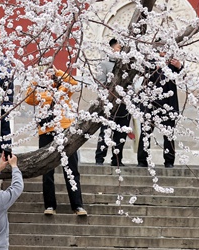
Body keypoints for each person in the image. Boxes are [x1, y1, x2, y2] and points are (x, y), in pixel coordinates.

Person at [31, 68, 87, 216]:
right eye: (46, 73)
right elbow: (30, 99)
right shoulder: (40, 91)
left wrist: (58, 71)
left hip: (64, 128)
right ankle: (49, 205)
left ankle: (77, 205)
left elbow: (73, 82)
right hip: (46, 131)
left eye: (50, 74)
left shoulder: (63, 89)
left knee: (71, 167)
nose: (48, 76)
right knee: (46, 169)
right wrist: (36, 78)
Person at [137, 56, 183, 168]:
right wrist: (152, 68)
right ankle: (142, 160)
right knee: (145, 132)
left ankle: (169, 161)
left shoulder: (172, 62)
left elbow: (184, 77)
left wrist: (180, 67)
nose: (163, 51)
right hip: (150, 104)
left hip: (168, 104)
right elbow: (140, 72)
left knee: (168, 134)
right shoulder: (149, 61)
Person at [95, 39, 131, 167]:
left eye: (121, 47)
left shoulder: (129, 65)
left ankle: (117, 159)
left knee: (121, 132)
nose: (120, 49)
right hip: (110, 103)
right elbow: (100, 83)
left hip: (124, 103)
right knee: (106, 131)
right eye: (118, 47)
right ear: (111, 48)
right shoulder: (104, 64)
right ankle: (99, 158)